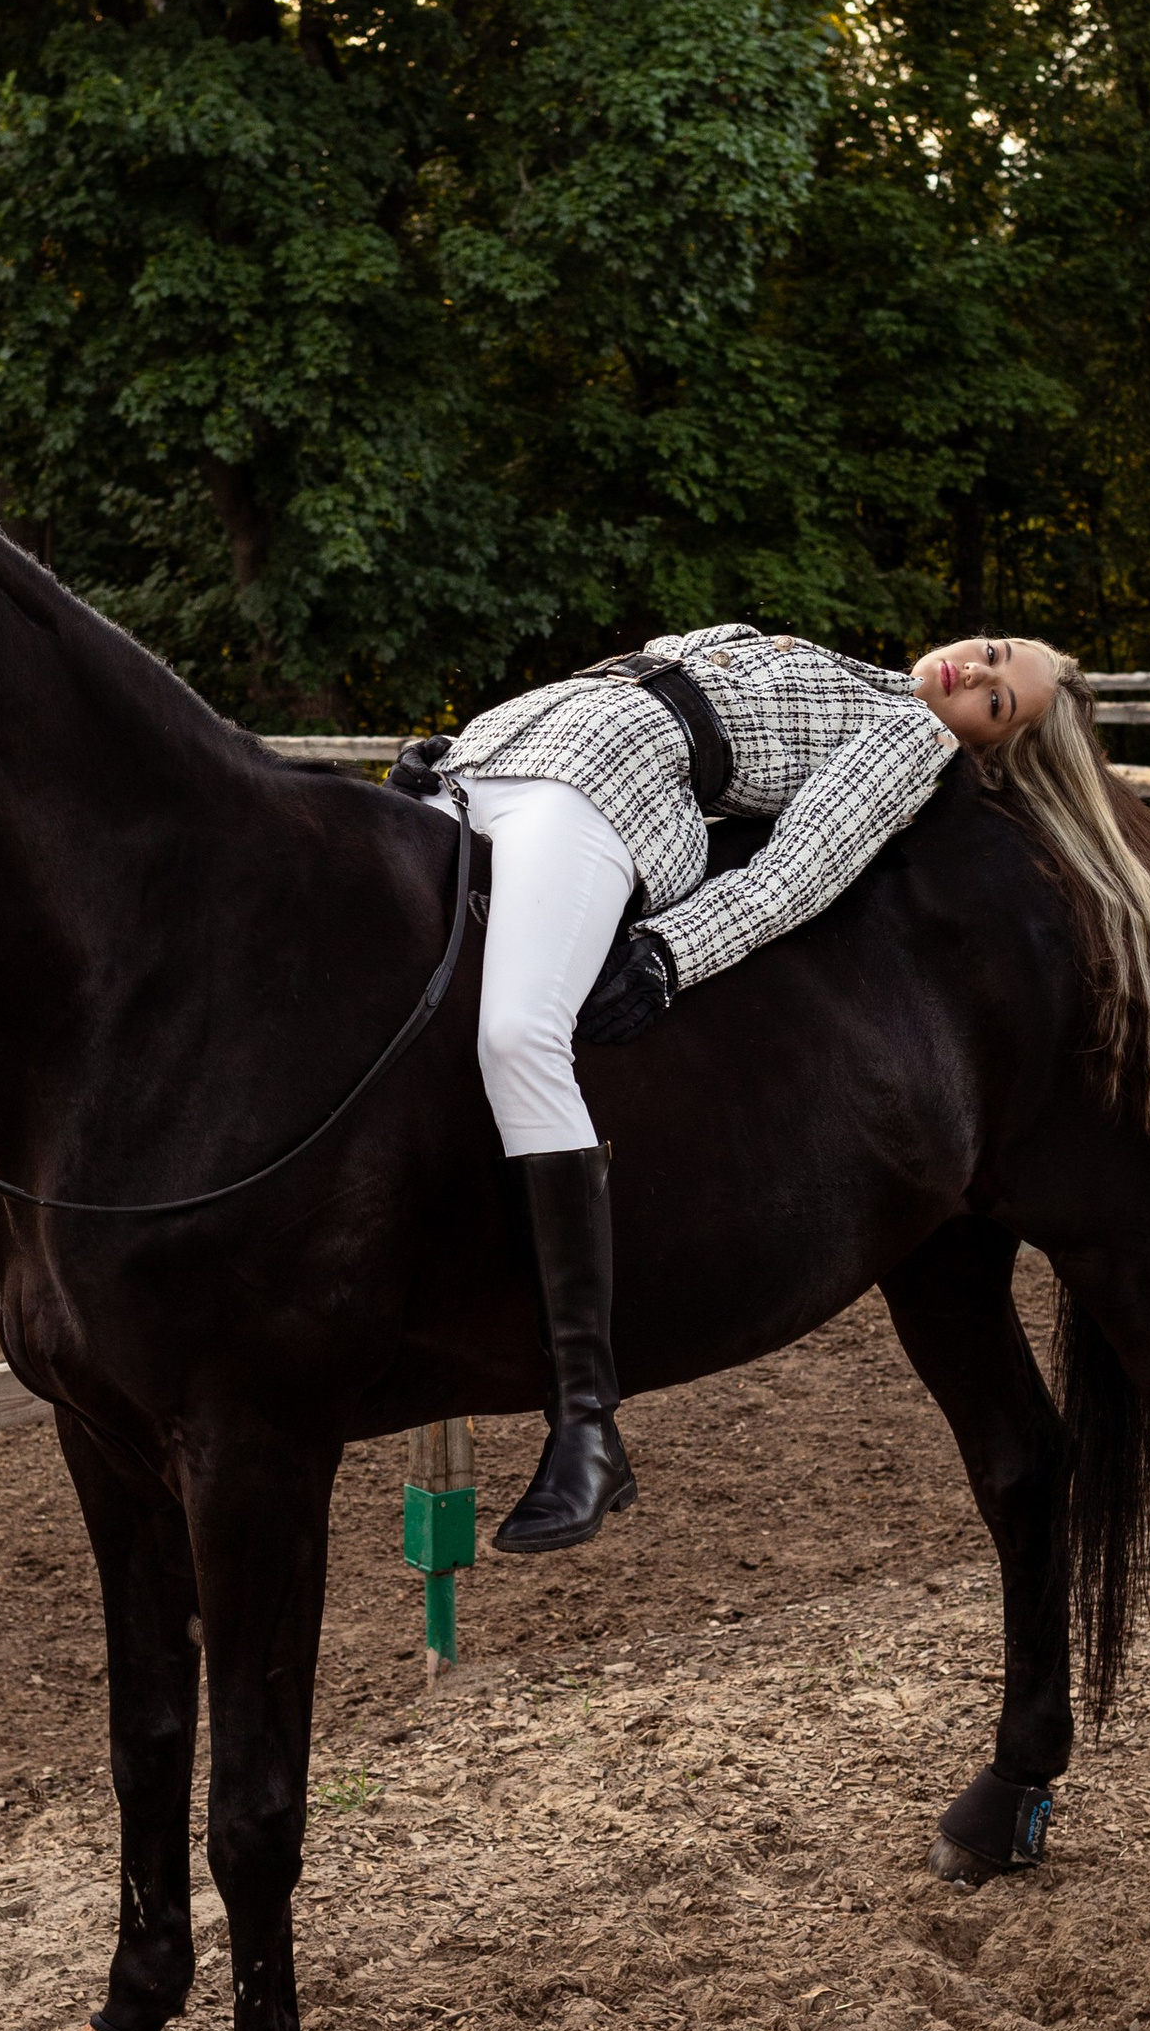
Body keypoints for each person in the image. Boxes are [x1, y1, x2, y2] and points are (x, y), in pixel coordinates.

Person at [402, 627, 1084, 1558]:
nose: (976, 672)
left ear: (985, 747)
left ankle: (585, 1423)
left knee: (519, 1034)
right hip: (487, 763)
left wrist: (673, 953)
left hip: (601, 799)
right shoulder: (850, 666)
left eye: (995, 702)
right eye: (993, 653)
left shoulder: (906, 738)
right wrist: (464, 746)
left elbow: (799, 869)